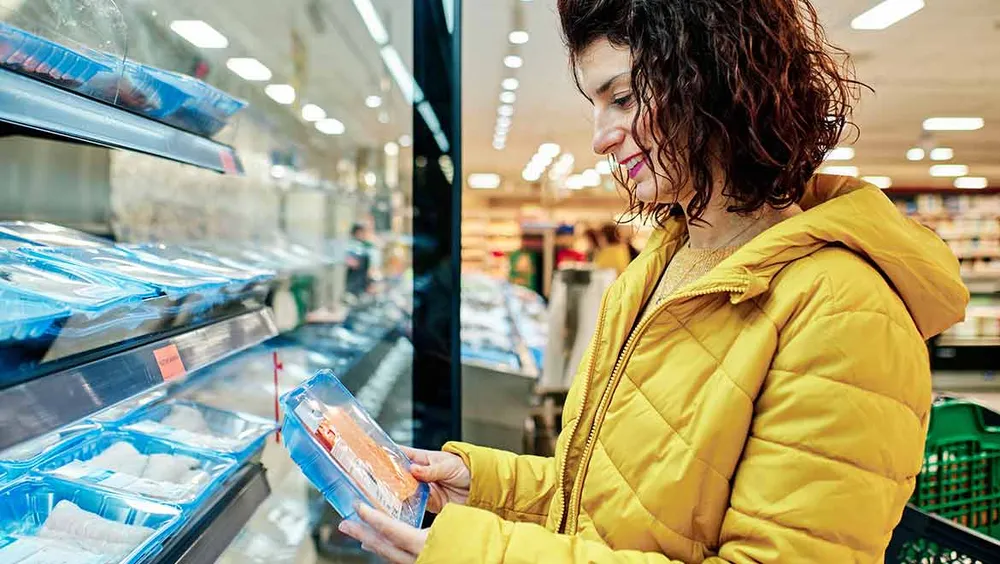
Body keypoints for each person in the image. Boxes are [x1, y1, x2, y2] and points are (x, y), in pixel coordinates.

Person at [339, 0, 969, 562]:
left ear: (716, 80)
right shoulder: (658, 267)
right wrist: (481, 483)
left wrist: (478, 553)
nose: (599, 139)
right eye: (595, 105)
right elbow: (610, 498)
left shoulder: (845, 312)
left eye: (623, 97)